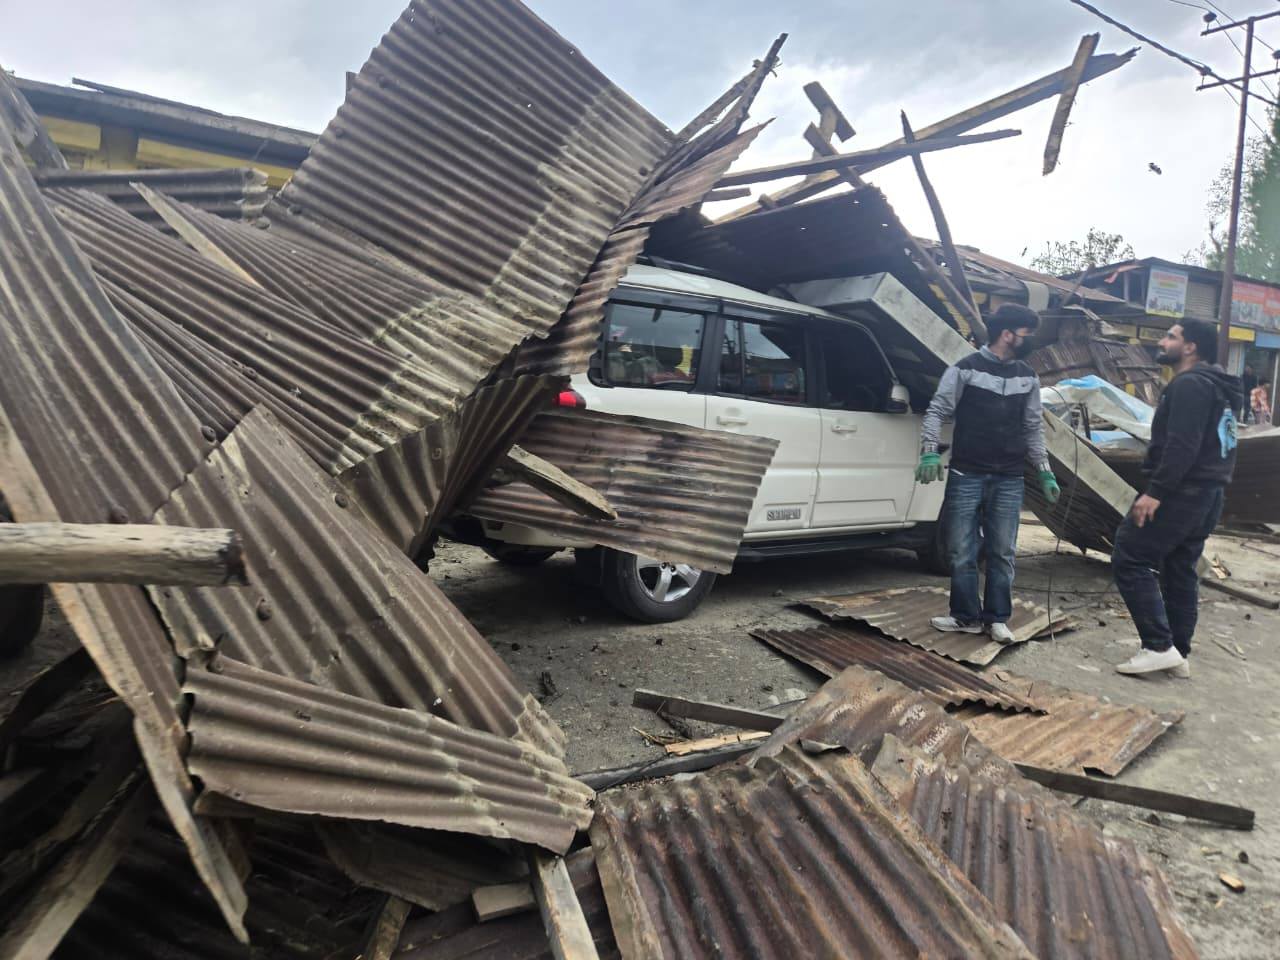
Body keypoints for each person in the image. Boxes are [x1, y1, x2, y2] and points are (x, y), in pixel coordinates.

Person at [916, 304, 1061, 643]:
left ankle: (997, 619)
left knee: (1002, 550)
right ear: (1007, 334)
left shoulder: (1028, 375)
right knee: (961, 550)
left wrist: (1045, 471)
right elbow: (937, 411)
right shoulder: (964, 369)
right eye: (1027, 334)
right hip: (967, 474)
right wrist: (928, 453)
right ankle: (965, 616)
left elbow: (1032, 426)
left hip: (1009, 478)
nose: (1031, 341)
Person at [1112, 319, 1242, 678]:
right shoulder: (1220, 387)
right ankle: (1176, 652)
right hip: (1210, 493)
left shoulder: (1189, 386)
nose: (1162, 341)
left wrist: (1155, 492)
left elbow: (1182, 446)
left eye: (1171, 336)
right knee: (1179, 569)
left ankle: (1157, 644)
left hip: (1183, 491)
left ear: (1190, 348)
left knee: (1130, 555)